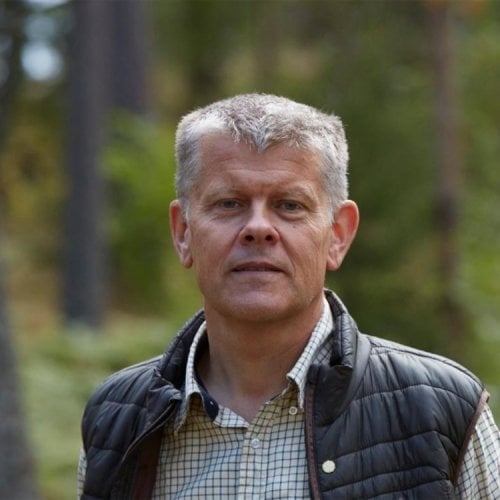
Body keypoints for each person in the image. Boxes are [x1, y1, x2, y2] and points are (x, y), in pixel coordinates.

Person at [78, 94, 499, 499]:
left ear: (338, 234)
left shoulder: (441, 411)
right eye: (229, 203)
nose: (258, 228)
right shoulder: (116, 421)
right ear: (183, 232)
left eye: (289, 205)